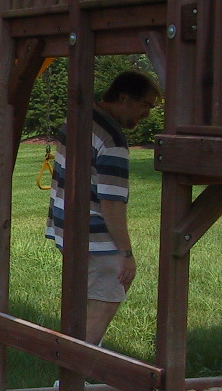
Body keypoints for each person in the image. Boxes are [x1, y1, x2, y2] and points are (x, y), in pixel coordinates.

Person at [45, 70, 161, 345]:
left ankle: (74, 354)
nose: (147, 114)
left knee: (82, 304)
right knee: (108, 295)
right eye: (145, 105)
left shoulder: (77, 119)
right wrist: (126, 253)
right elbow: (111, 203)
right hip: (93, 237)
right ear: (124, 98)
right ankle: (76, 366)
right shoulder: (113, 141)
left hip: (65, 227)